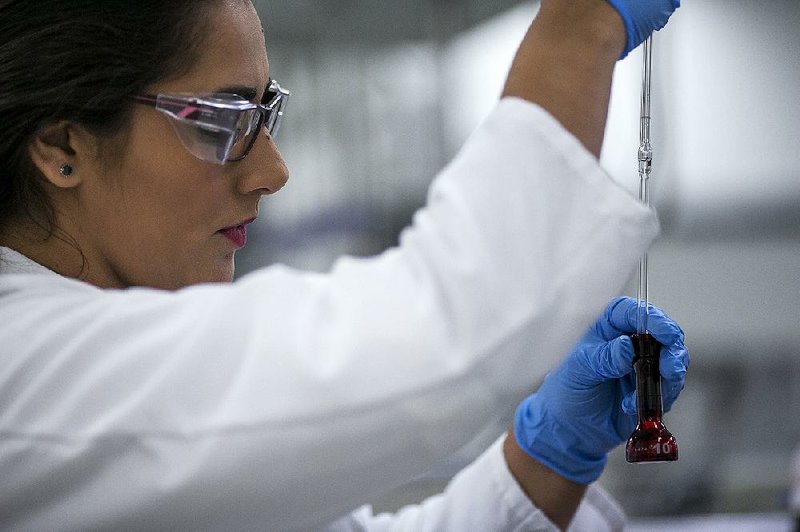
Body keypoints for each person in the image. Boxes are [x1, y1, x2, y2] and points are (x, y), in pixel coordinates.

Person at [0, 0, 687, 530]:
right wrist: (576, 29)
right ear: (64, 146)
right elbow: (444, 336)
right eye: (225, 120)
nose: (272, 171)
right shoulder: (24, 367)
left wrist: (549, 457)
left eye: (268, 114)